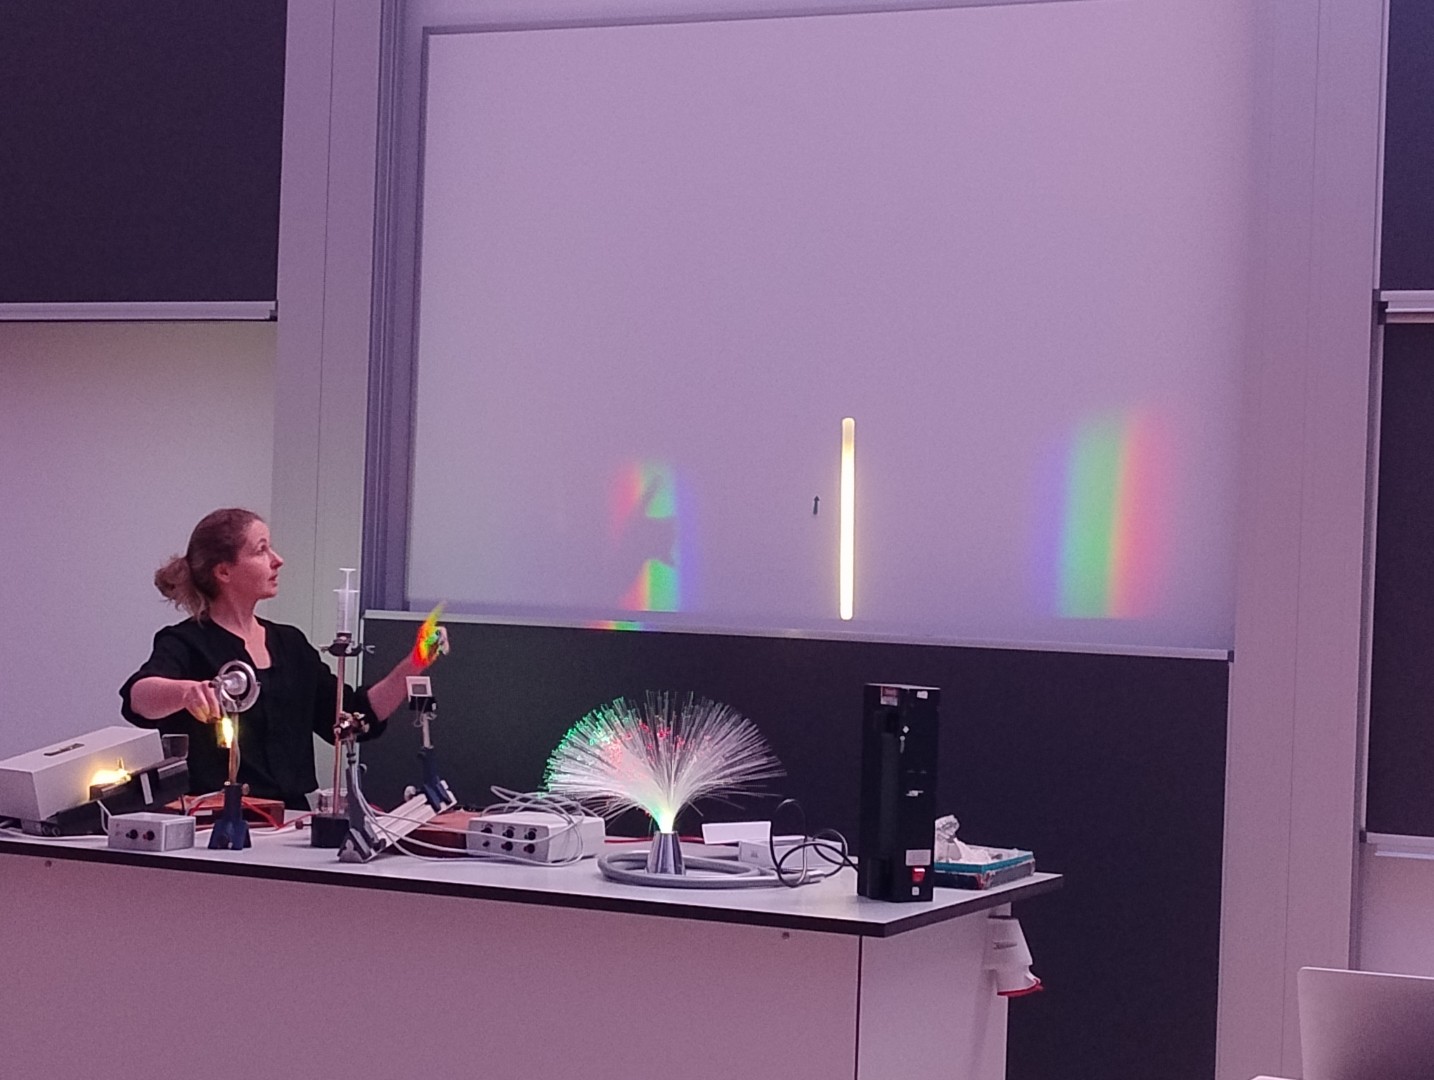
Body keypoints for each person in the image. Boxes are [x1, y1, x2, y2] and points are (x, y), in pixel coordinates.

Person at [120, 508, 445, 809]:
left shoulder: (290, 644)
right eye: (261, 550)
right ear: (224, 571)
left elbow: (354, 717)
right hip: (215, 821)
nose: (278, 560)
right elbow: (139, 698)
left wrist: (415, 662)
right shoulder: (186, 641)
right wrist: (185, 692)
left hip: (289, 820)